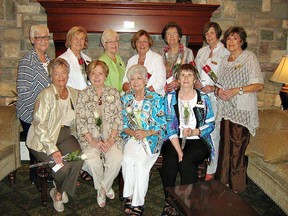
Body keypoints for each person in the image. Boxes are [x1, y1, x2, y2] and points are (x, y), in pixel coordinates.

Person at [26, 58, 83, 212]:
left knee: (77, 159)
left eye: (63, 72)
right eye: (56, 73)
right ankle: (58, 193)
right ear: (51, 76)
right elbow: (40, 125)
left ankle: (59, 190)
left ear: (68, 73)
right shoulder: (46, 95)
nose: (60, 77)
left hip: (64, 134)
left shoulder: (73, 93)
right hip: (43, 139)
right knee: (61, 168)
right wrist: (53, 150)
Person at [159, 64, 215, 215]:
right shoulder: (170, 97)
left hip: (198, 139)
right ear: (177, 78)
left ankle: (186, 203)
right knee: (170, 163)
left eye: (189, 75)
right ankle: (170, 202)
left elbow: (211, 123)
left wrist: (195, 131)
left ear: (195, 78)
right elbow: (170, 125)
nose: (185, 78)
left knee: (186, 163)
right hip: (174, 138)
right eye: (182, 75)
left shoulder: (203, 98)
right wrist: (178, 150)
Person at [215, 26, 264, 193]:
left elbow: (258, 85)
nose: (231, 41)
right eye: (228, 38)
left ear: (241, 41)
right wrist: (218, 91)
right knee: (225, 148)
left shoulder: (248, 57)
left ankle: (237, 187)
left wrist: (237, 90)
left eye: (235, 38)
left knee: (237, 149)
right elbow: (219, 84)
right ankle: (223, 184)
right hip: (226, 110)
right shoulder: (224, 60)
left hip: (241, 111)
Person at [76, 60, 123, 208]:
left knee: (117, 158)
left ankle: (102, 188)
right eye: (93, 73)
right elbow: (81, 122)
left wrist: (110, 141)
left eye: (100, 73)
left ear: (105, 75)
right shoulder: (83, 95)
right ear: (88, 75)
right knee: (91, 161)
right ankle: (105, 186)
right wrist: (94, 142)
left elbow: (118, 119)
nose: (97, 77)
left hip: (112, 138)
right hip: (91, 140)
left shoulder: (113, 93)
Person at [121, 64, 166, 216]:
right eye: (132, 79)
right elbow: (122, 123)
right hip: (132, 137)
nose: (135, 82)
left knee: (140, 164)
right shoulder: (126, 98)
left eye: (139, 78)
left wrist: (146, 133)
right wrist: (133, 133)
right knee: (127, 159)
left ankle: (138, 203)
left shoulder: (156, 98)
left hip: (151, 139)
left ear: (146, 80)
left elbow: (163, 123)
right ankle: (130, 195)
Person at [16, 25, 52, 189]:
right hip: (31, 113)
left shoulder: (49, 60)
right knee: (36, 149)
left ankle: (48, 174)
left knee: (47, 145)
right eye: (39, 37)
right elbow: (23, 93)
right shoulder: (26, 62)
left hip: (47, 113)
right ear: (32, 40)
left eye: (46, 37)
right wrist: (39, 114)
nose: (44, 41)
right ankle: (36, 177)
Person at [195, 22, 230, 181]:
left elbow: (226, 78)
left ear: (218, 34)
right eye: (206, 33)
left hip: (215, 97)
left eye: (211, 33)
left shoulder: (224, 53)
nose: (209, 36)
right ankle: (199, 161)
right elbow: (196, 71)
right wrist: (196, 83)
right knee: (200, 129)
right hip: (200, 96)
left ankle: (212, 168)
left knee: (213, 131)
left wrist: (213, 87)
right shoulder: (202, 51)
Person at [122, 30, 166, 96]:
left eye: (145, 41)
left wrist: (143, 93)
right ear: (135, 44)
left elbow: (161, 82)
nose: (141, 44)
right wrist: (132, 91)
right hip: (134, 98)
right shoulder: (131, 60)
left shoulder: (157, 58)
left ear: (149, 43)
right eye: (138, 41)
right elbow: (125, 82)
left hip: (153, 98)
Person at [161, 21, 194, 93]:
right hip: (163, 91)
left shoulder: (187, 52)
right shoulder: (161, 53)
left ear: (179, 37)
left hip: (182, 91)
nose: (171, 36)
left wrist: (179, 83)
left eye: (174, 33)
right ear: (165, 38)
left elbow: (193, 73)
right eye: (168, 34)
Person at [59, 26, 91, 90]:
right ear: (70, 40)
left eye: (82, 39)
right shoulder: (62, 60)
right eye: (76, 38)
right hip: (72, 97)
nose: (79, 41)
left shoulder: (88, 59)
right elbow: (59, 83)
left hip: (87, 96)